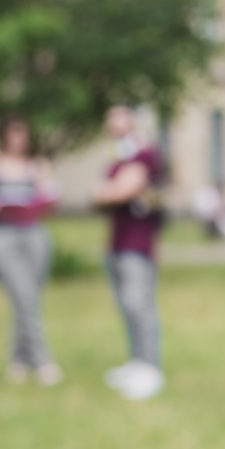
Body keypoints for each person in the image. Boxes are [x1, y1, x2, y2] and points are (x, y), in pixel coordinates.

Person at [0, 116, 62, 386]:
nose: (18, 140)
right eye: (13, 134)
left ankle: (18, 361)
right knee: (22, 295)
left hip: (33, 234)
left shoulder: (37, 165)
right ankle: (42, 360)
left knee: (30, 297)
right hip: (3, 234)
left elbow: (49, 197)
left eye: (22, 134)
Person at [94, 105, 166, 400]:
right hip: (117, 242)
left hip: (139, 243)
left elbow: (120, 190)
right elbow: (102, 192)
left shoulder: (143, 153)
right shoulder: (118, 156)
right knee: (126, 306)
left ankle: (150, 367)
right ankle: (136, 362)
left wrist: (111, 190)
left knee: (140, 305)